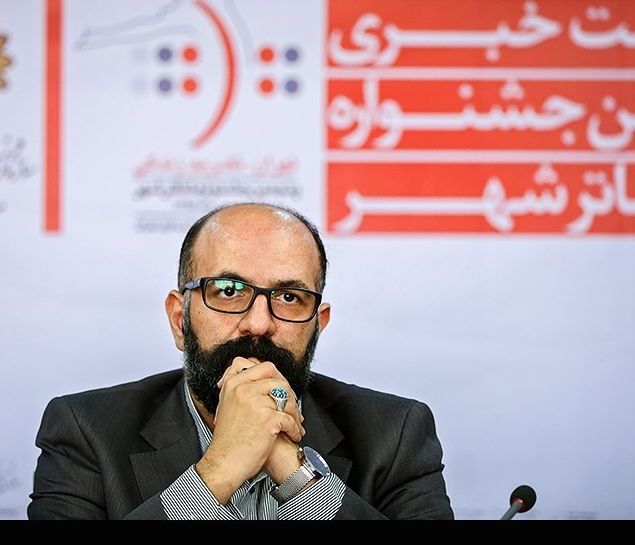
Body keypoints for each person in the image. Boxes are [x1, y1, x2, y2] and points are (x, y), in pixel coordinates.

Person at [27, 201, 453, 520]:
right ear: (179, 320)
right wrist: (215, 473)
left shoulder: (394, 434)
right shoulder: (88, 431)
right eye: (228, 291)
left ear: (317, 325)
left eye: (289, 297)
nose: (258, 323)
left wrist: (297, 476)